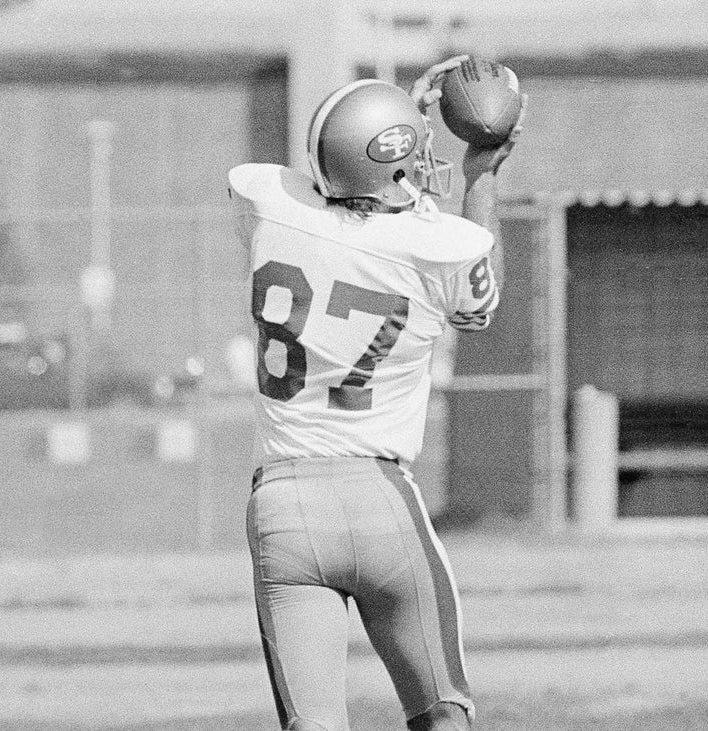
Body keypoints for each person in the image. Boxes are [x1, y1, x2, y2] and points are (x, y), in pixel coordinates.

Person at [227, 55, 525, 731]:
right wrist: (481, 171)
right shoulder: (435, 245)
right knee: (444, 711)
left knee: (315, 725)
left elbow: (333, 179)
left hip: (282, 506)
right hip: (379, 500)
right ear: (393, 168)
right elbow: (479, 298)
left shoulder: (270, 204)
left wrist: (395, 127)